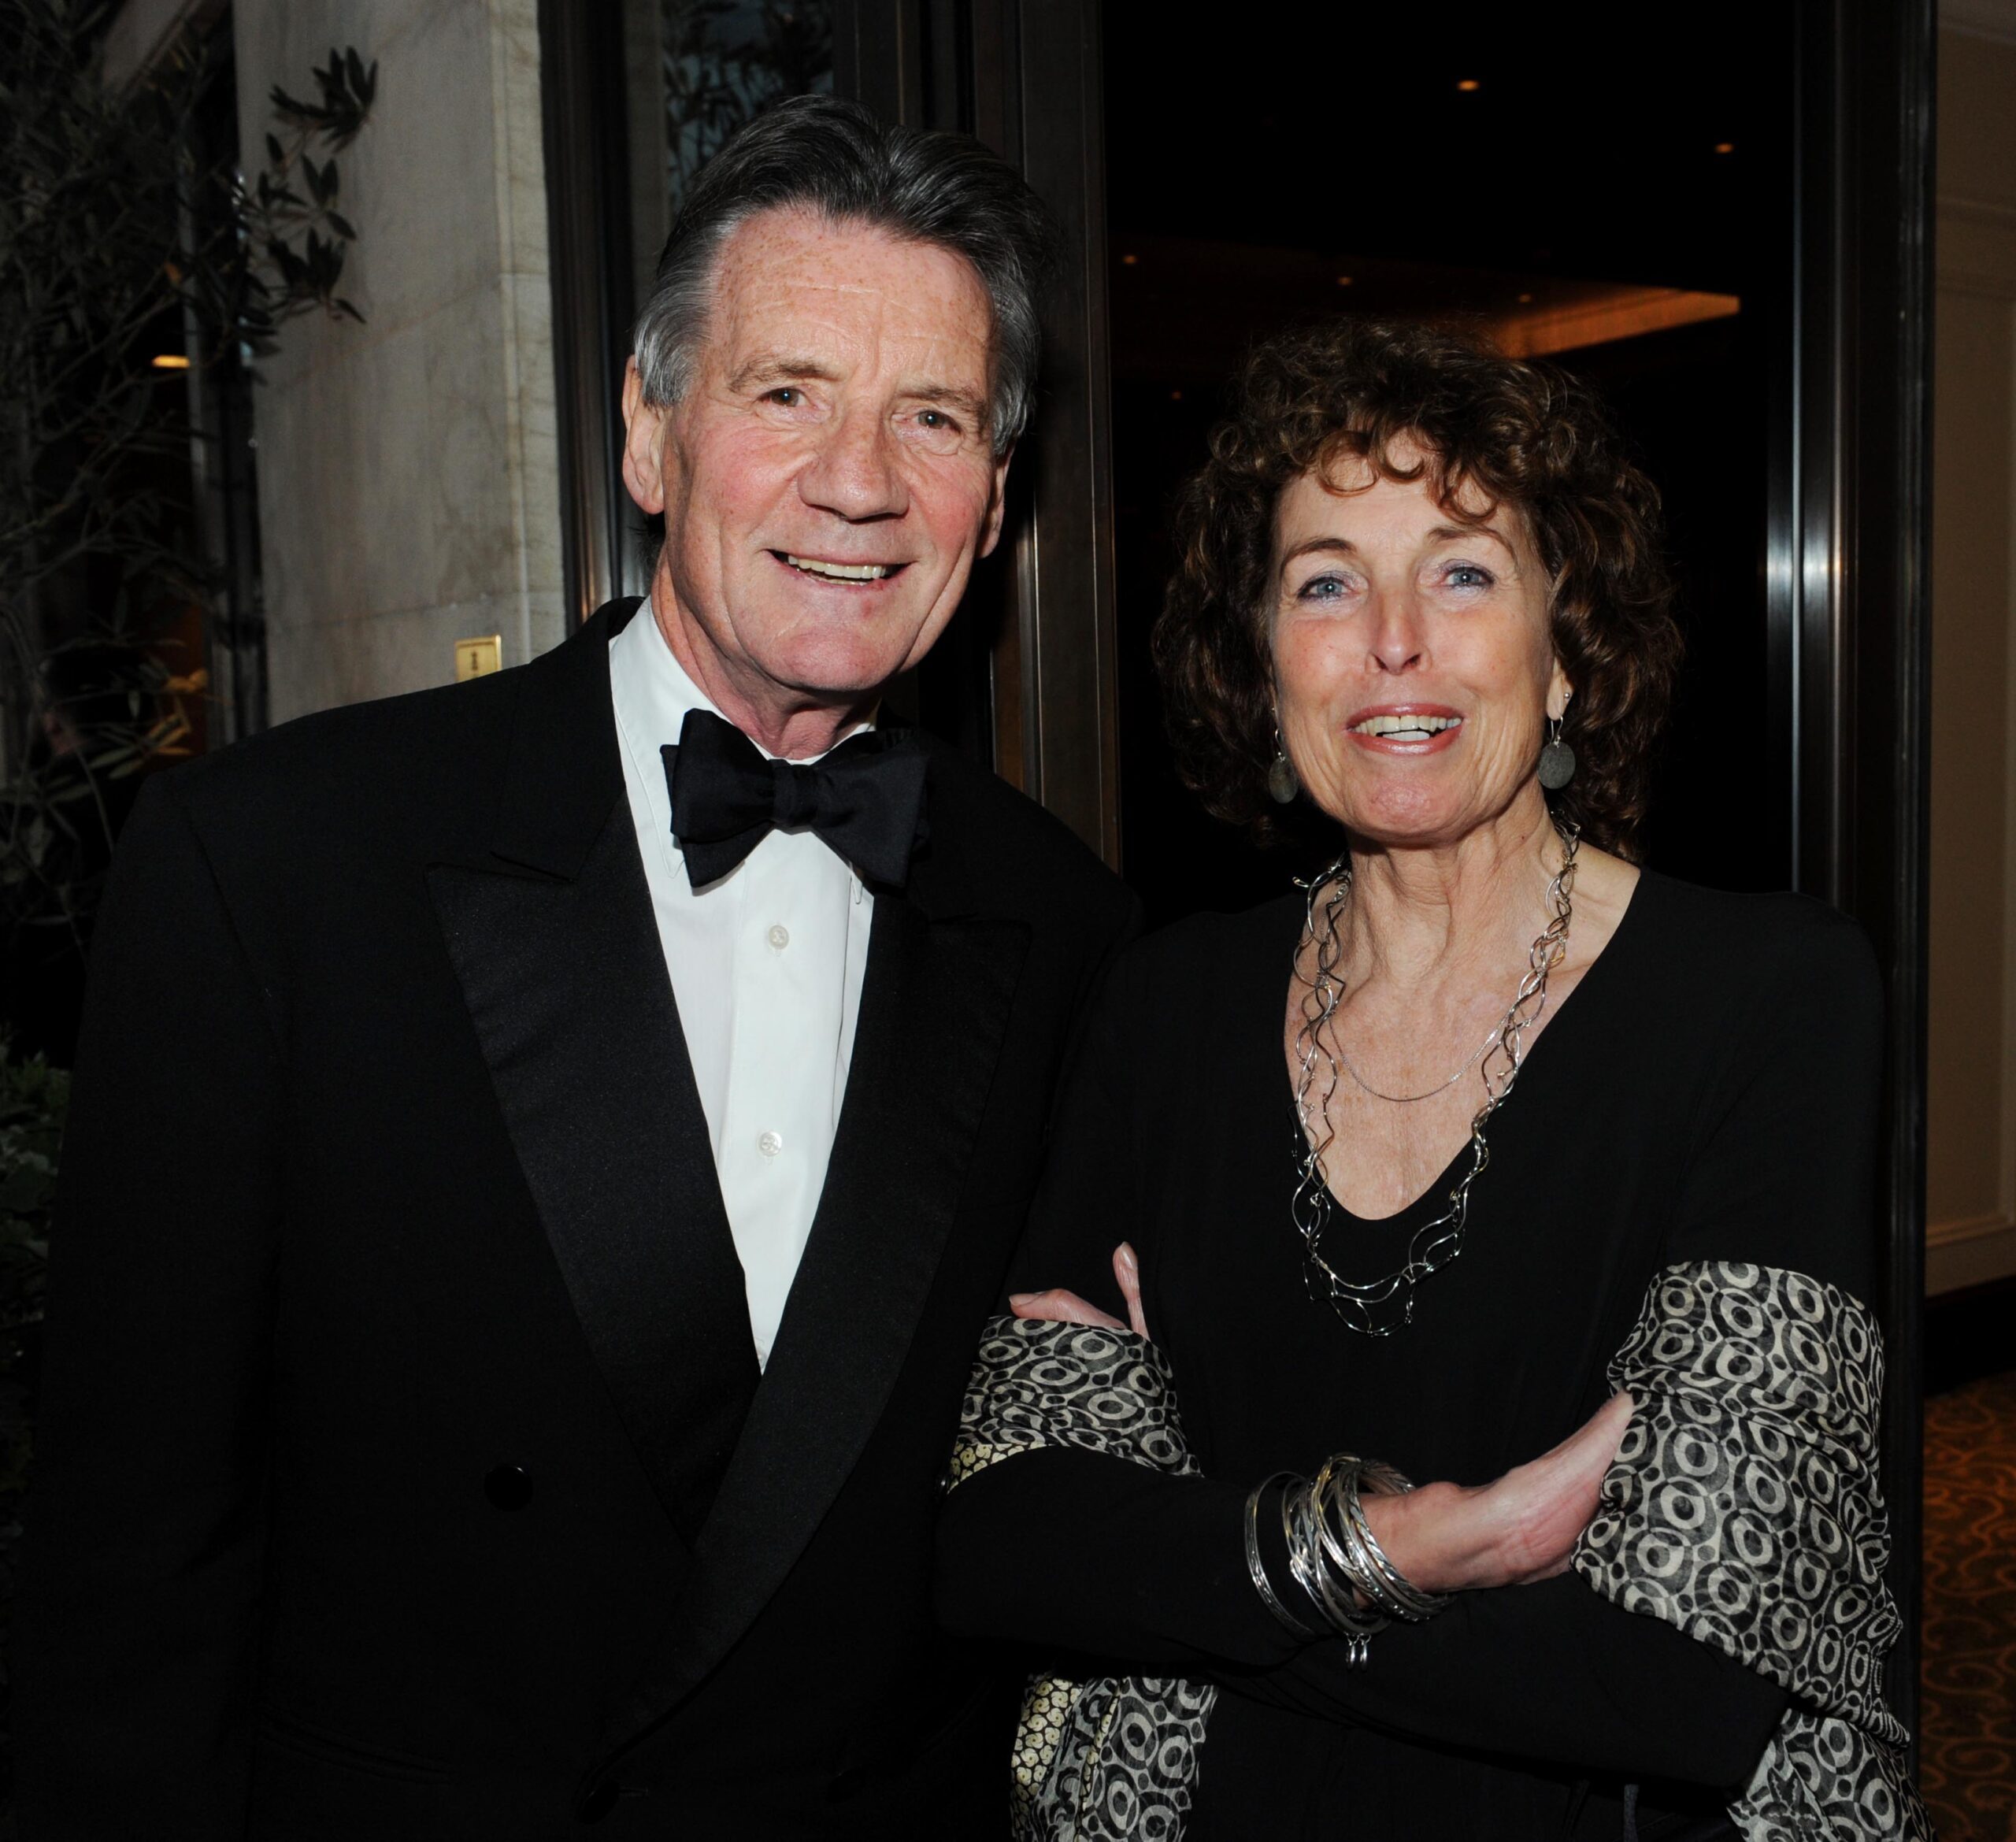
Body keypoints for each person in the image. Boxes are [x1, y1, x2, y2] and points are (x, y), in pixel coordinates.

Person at [16, 98, 1137, 1838]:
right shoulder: (277, 866)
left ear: (990, 506)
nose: (858, 480)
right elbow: (130, 1568)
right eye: (785, 394)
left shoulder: (1062, 925)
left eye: (930, 418)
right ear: (648, 433)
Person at [936, 319, 1929, 1840]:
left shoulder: (1772, 998)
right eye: (1325, 581)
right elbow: (1001, 1543)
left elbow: (1681, 1673)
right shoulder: (1160, 1005)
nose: (1392, 639)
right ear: (1262, 667)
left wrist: (1186, 1561)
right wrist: (1418, 1544)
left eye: (1463, 570)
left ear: (1567, 647)